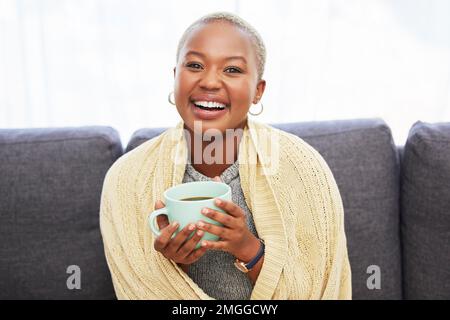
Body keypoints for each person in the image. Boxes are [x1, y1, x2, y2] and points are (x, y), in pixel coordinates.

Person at [99, 11, 352, 300]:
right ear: (175, 77)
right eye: (194, 65)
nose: (209, 82)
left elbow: (318, 289)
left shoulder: (304, 169)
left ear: (258, 91)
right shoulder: (127, 179)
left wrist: (248, 248)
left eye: (232, 70)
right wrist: (173, 265)